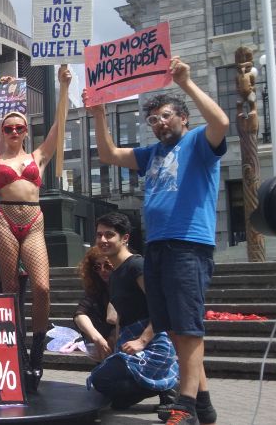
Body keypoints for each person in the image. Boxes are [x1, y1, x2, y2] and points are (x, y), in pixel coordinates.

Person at [85, 56, 227, 425]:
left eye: (166, 116)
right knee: (175, 327)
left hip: (188, 244)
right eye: (154, 120)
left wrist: (186, 83)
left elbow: (222, 122)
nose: (160, 123)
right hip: (159, 246)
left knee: (188, 326)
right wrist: (99, 114)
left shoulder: (198, 142)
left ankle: (187, 406)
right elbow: (108, 154)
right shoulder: (152, 154)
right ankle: (205, 403)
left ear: (183, 118)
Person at [0, 64, 72, 391]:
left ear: (25, 130)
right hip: (4, 220)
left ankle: (37, 353)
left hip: (33, 221)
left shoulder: (38, 155)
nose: (13, 132)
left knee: (42, 288)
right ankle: (20, 356)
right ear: (1, 130)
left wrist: (64, 87)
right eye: (7, 128)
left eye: (18, 128)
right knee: (11, 291)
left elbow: (59, 128)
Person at [86, 212, 178, 412]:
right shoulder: (116, 272)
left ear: (125, 238)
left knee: (102, 379)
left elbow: (163, 307)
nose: (102, 240)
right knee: (105, 385)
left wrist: (142, 341)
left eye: (109, 235)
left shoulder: (137, 266)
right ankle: (160, 384)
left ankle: (170, 384)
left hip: (155, 344)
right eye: (99, 235)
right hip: (131, 341)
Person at [73, 246, 117, 362]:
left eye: (107, 265)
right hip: (106, 335)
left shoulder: (126, 282)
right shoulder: (97, 287)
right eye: (97, 267)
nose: (103, 270)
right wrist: (97, 338)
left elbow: (112, 318)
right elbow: (79, 314)